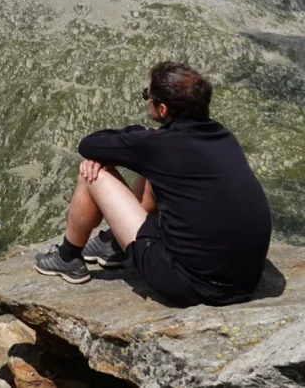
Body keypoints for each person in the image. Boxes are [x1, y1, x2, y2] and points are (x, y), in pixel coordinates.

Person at [35, 61, 271, 306]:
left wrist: (142, 134)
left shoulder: (158, 146)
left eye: (147, 96)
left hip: (190, 283)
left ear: (162, 109)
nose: (146, 99)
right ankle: (114, 244)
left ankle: (68, 257)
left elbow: (88, 145)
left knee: (91, 173)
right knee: (152, 169)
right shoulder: (222, 136)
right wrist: (149, 141)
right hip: (245, 280)